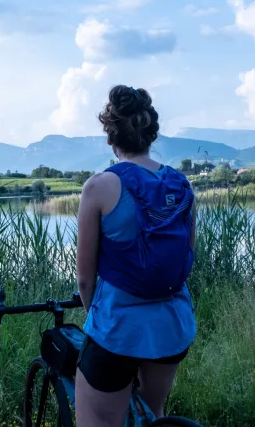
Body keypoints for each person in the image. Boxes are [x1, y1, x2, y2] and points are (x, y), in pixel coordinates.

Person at [75, 85, 197, 427]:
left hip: (117, 327)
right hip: (173, 325)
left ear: (111, 137)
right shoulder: (181, 184)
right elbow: (189, 255)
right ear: (150, 133)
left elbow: (85, 279)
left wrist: (94, 318)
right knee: (152, 414)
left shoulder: (99, 187)